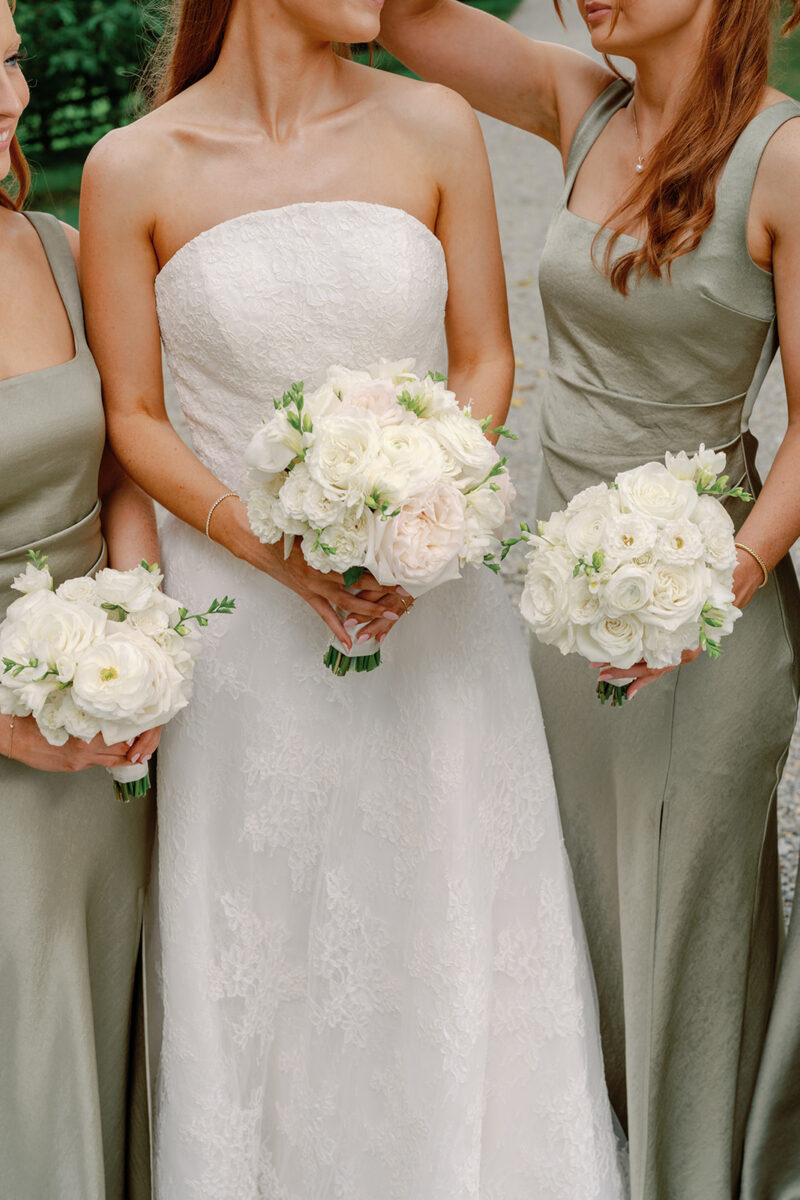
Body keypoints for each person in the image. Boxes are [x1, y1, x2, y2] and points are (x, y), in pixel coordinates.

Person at [79, 2, 629, 1197]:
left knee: (444, 929)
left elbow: (484, 355)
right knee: (264, 952)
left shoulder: (432, 123)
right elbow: (133, 419)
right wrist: (278, 555)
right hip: (241, 647)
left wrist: (418, 507)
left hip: (432, 621)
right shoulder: (134, 169)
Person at [379, 2, 800, 1197]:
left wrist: (709, 593)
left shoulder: (781, 158)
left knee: (677, 943)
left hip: (702, 613)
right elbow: (403, 18)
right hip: (558, 609)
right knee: (567, 926)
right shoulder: (581, 103)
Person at [0, 2, 160, 1196]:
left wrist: (139, 629)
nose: (10, 98)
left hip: (104, 726)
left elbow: (118, 469)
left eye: (4, 58)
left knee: (113, 1003)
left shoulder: (54, 245)